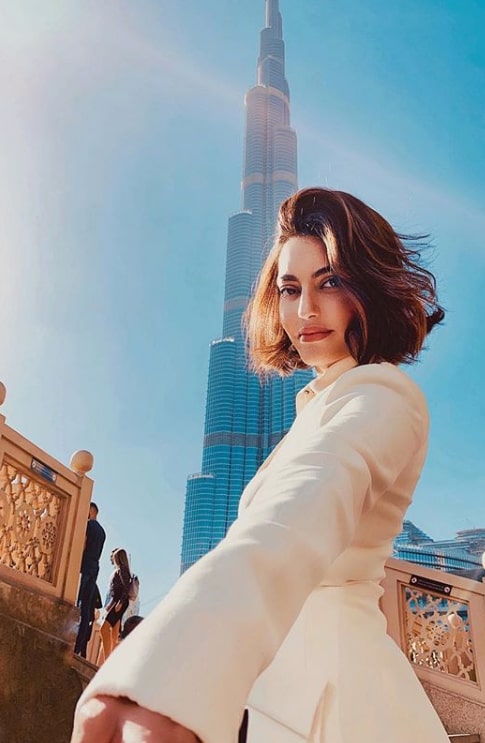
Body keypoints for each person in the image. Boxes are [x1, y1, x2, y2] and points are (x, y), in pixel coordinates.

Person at [71, 187, 449, 742]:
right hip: (282, 698)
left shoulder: (384, 394)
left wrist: (177, 666)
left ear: (368, 285)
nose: (305, 310)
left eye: (331, 282)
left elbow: (301, 509)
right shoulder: (317, 405)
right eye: (290, 289)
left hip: (341, 705)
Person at [74, 502, 106, 658]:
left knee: (78, 601)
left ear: (91, 511)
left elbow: (83, 544)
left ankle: (72, 641)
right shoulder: (103, 532)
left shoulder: (88, 525)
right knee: (87, 608)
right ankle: (79, 645)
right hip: (95, 567)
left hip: (84, 565)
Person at [99, 547, 132, 662]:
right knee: (113, 634)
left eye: (114, 557)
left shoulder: (123, 570)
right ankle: (107, 660)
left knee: (104, 629)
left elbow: (126, 587)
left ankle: (107, 661)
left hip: (120, 602)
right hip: (116, 601)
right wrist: (110, 606)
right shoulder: (120, 570)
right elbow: (116, 591)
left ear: (118, 558)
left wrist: (120, 603)